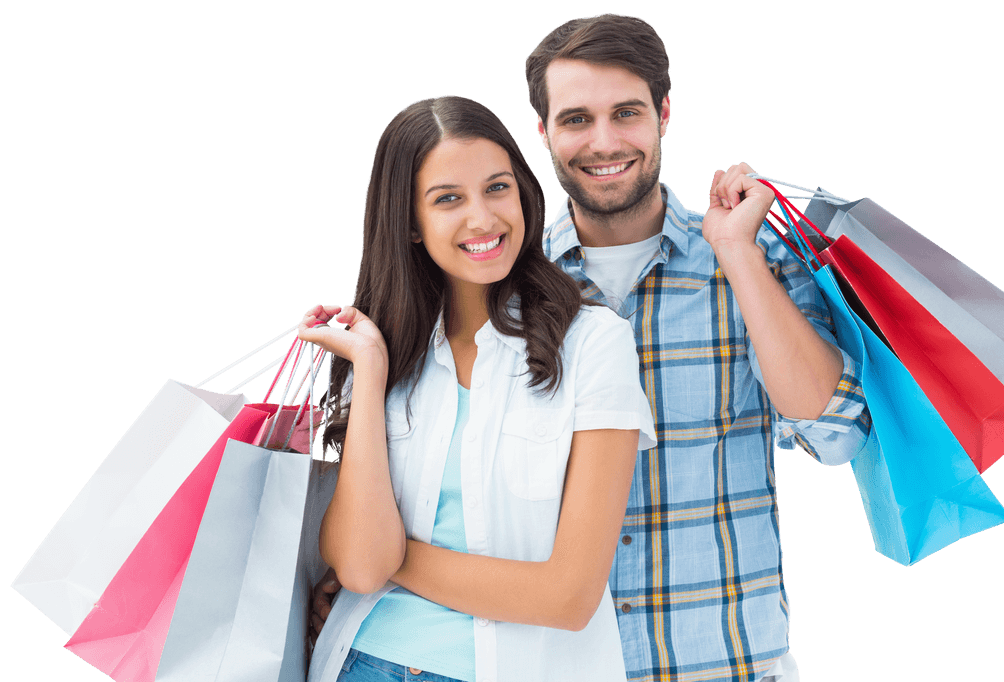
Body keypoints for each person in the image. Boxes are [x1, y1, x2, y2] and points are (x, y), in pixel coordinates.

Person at [313, 15, 871, 682]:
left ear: (664, 114)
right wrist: (363, 583)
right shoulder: (498, 283)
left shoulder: (752, 258)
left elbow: (835, 436)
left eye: (627, 113)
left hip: (719, 662)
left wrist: (738, 259)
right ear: (544, 132)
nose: (604, 142)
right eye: (577, 119)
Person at [299, 95, 657, 682]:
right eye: (448, 199)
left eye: (497, 188)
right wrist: (368, 371)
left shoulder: (594, 344)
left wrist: (392, 557)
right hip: (364, 664)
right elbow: (360, 572)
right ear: (410, 223)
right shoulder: (381, 349)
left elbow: (567, 597)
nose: (483, 219)